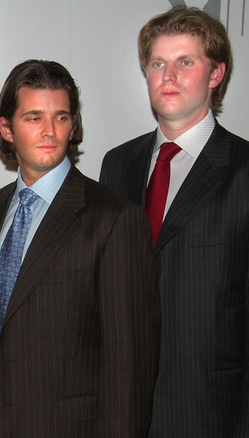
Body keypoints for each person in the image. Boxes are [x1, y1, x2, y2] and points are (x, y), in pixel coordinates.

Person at [0, 60, 160, 437]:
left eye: (61, 117)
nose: (50, 131)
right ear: (6, 128)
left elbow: (129, 371)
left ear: (73, 125)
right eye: (34, 117)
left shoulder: (114, 219)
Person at [99, 6, 248, 437]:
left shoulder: (243, 168)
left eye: (186, 62)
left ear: (216, 74)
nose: (169, 76)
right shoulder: (117, 164)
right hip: (124, 410)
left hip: (213, 413)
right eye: (158, 63)